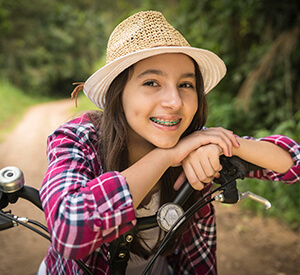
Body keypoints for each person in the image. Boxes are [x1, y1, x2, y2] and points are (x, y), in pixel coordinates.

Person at [39, 10, 300, 275]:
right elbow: (69, 230)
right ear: (118, 95)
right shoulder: (78, 138)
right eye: (152, 82)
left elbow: (292, 163)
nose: (174, 102)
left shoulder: (195, 142)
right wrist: (167, 157)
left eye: (186, 84)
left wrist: (221, 144)